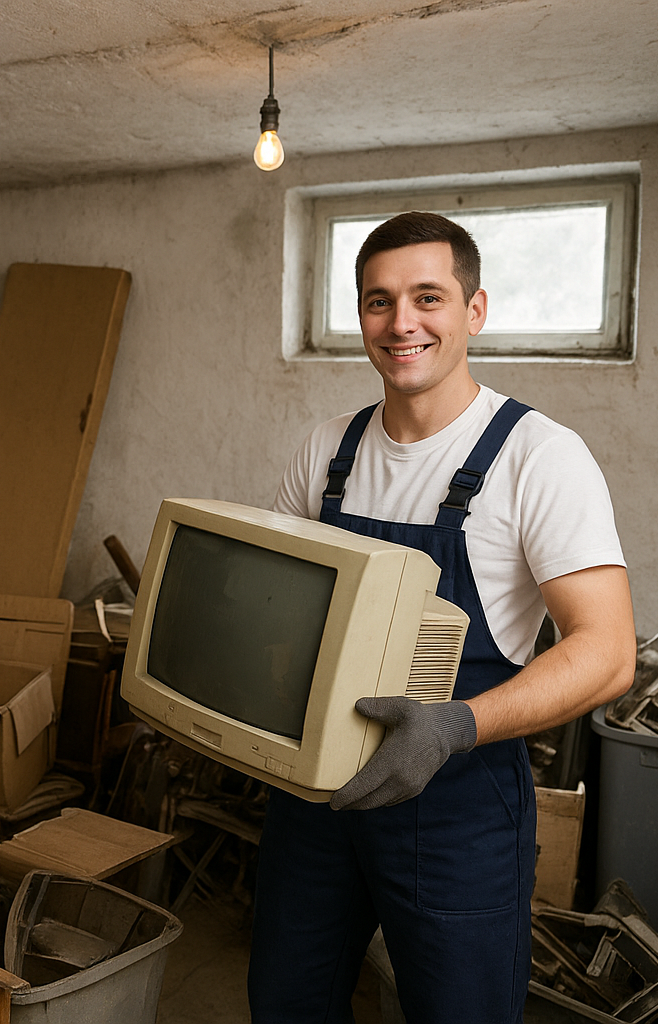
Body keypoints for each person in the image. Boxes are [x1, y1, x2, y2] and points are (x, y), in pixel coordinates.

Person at [248, 211, 636, 1023]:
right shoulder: (324, 451)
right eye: (378, 301)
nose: (402, 323)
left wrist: (455, 727)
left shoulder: (539, 456)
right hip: (317, 798)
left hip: (456, 808)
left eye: (429, 297)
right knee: (287, 1003)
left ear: (475, 309)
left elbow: (607, 653)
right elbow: (281, 615)